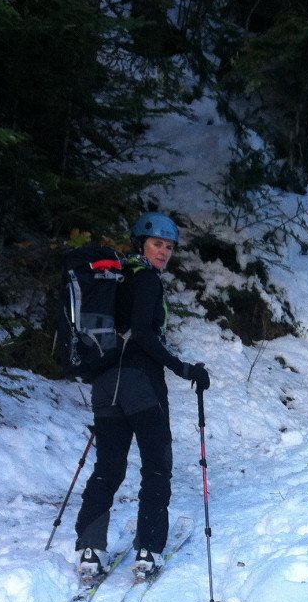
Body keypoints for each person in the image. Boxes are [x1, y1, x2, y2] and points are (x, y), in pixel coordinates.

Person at [74, 212, 210, 581]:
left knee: (108, 468)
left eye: (168, 246)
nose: (164, 252)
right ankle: (148, 549)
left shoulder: (111, 278)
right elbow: (144, 337)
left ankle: (90, 548)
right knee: (156, 464)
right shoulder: (146, 280)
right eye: (157, 244)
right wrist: (184, 368)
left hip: (105, 384)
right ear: (140, 244)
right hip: (141, 386)